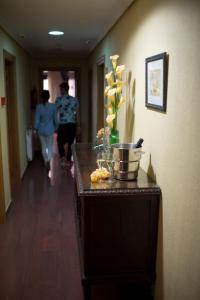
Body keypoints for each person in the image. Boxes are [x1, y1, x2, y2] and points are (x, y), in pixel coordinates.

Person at [55, 81, 80, 168]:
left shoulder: (58, 100)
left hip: (62, 124)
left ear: (64, 89)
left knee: (60, 142)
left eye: (61, 89)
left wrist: (56, 123)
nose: (60, 91)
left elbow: (56, 112)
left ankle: (63, 159)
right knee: (70, 143)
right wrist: (78, 125)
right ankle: (68, 160)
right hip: (71, 124)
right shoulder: (74, 100)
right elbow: (77, 113)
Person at [34, 90, 58, 170]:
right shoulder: (53, 106)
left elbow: (37, 119)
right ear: (49, 96)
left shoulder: (38, 107)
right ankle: (48, 160)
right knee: (50, 146)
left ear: (41, 97)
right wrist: (56, 127)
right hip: (50, 129)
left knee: (43, 147)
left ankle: (45, 160)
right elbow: (55, 119)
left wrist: (35, 129)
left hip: (41, 129)